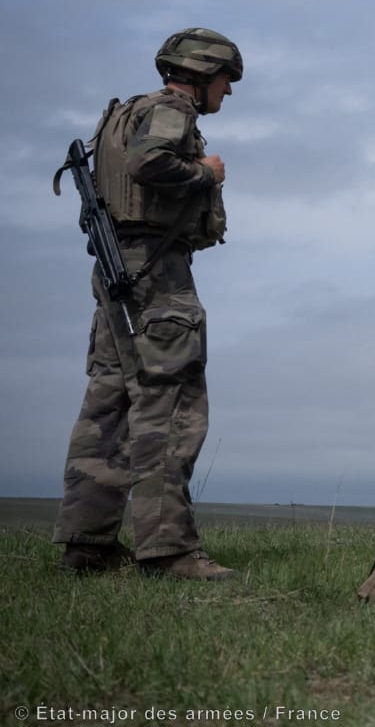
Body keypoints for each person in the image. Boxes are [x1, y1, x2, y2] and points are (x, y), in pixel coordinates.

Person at [52, 29, 243, 581]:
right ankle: (169, 551)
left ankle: (86, 545)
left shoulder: (126, 111)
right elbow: (150, 163)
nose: (227, 93)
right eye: (226, 81)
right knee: (169, 405)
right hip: (156, 273)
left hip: (118, 272)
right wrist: (204, 173)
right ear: (202, 73)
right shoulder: (169, 110)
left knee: (106, 404)